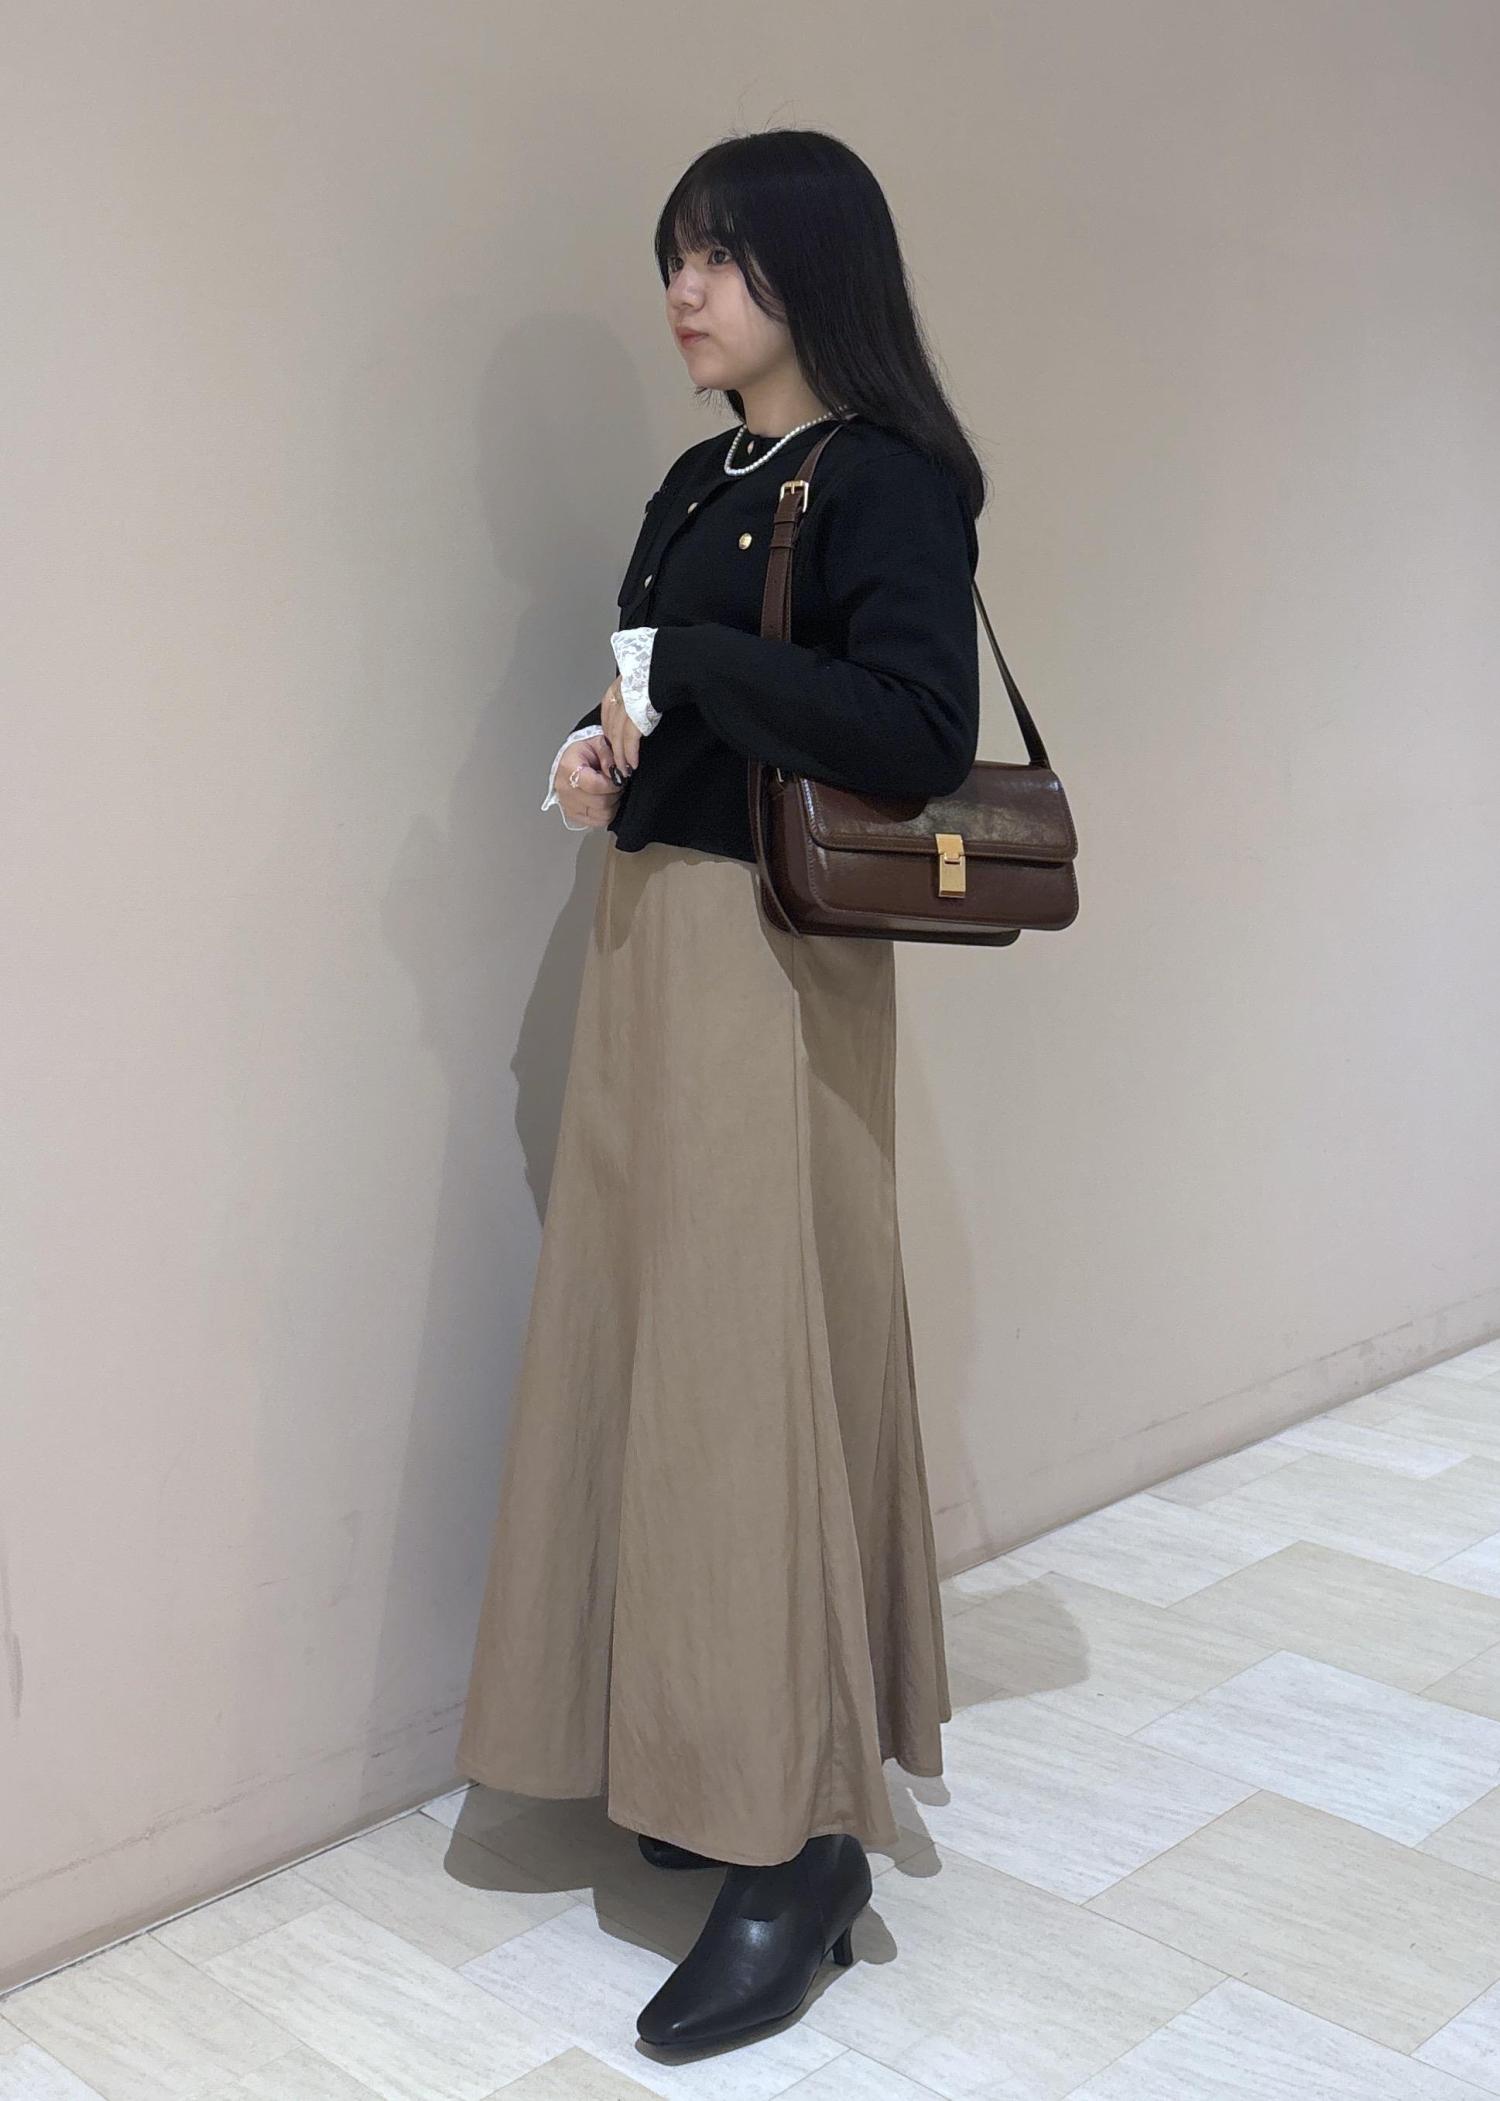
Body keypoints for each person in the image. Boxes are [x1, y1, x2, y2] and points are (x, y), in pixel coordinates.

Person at [455, 126, 986, 2053]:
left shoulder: (889, 477)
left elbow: (917, 729)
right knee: (660, 1358)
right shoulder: (699, 479)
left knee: (753, 1377)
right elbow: (662, 702)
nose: (681, 292)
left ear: (812, 271)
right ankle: (698, 1752)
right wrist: (593, 757)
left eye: (720, 259)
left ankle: (803, 1846)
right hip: (651, 947)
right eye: (673, 258)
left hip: (776, 966)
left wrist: (683, 664)